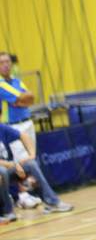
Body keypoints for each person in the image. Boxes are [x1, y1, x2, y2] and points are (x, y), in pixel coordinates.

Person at [0, 124, 73, 222]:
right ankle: (7, 212)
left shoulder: (2, 128)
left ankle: (52, 202)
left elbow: (24, 136)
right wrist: (13, 165)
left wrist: (32, 154)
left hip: (10, 168)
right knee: (2, 171)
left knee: (30, 164)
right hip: (4, 170)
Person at [0, 52, 41, 209]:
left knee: (30, 159)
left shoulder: (17, 81)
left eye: (8, 61)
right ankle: (22, 196)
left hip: (27, 122)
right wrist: (23, 99)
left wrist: (24, 99)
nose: (6, 64)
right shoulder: (1, 84)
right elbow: (19, 99)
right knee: (19, 160)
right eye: (2, 62)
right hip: (13, 124)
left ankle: (29, 193)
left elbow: (30, 98)